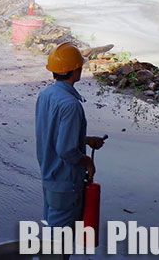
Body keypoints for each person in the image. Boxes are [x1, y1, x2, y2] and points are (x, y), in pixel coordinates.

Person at [36, 42, 104, 232]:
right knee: (58, 245)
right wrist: (87, 162)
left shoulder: (46, 94)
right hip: (65, 183)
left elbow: (51, 133)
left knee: (51, 233)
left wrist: (85, 139)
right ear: (76, 70)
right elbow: (66, 150)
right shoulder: (71, 105)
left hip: (50, 177)